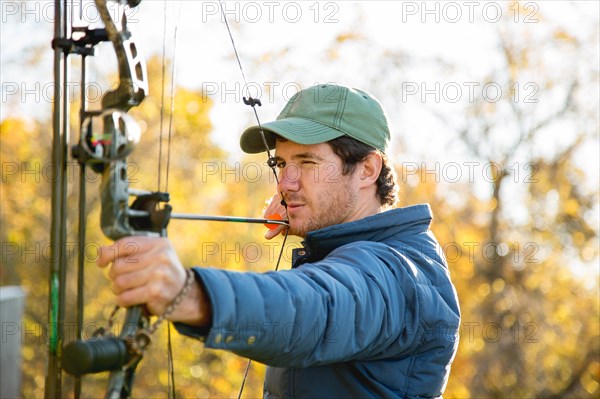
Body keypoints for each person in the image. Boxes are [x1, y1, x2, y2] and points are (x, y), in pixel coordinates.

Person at [98, 83, 461, 398]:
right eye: (281, 164)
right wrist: (319, 235)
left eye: (307, 163)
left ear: (367, 169)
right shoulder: (347, 254)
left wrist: (187, 291)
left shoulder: (401, 276)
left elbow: (316, 308)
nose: (286, 183)